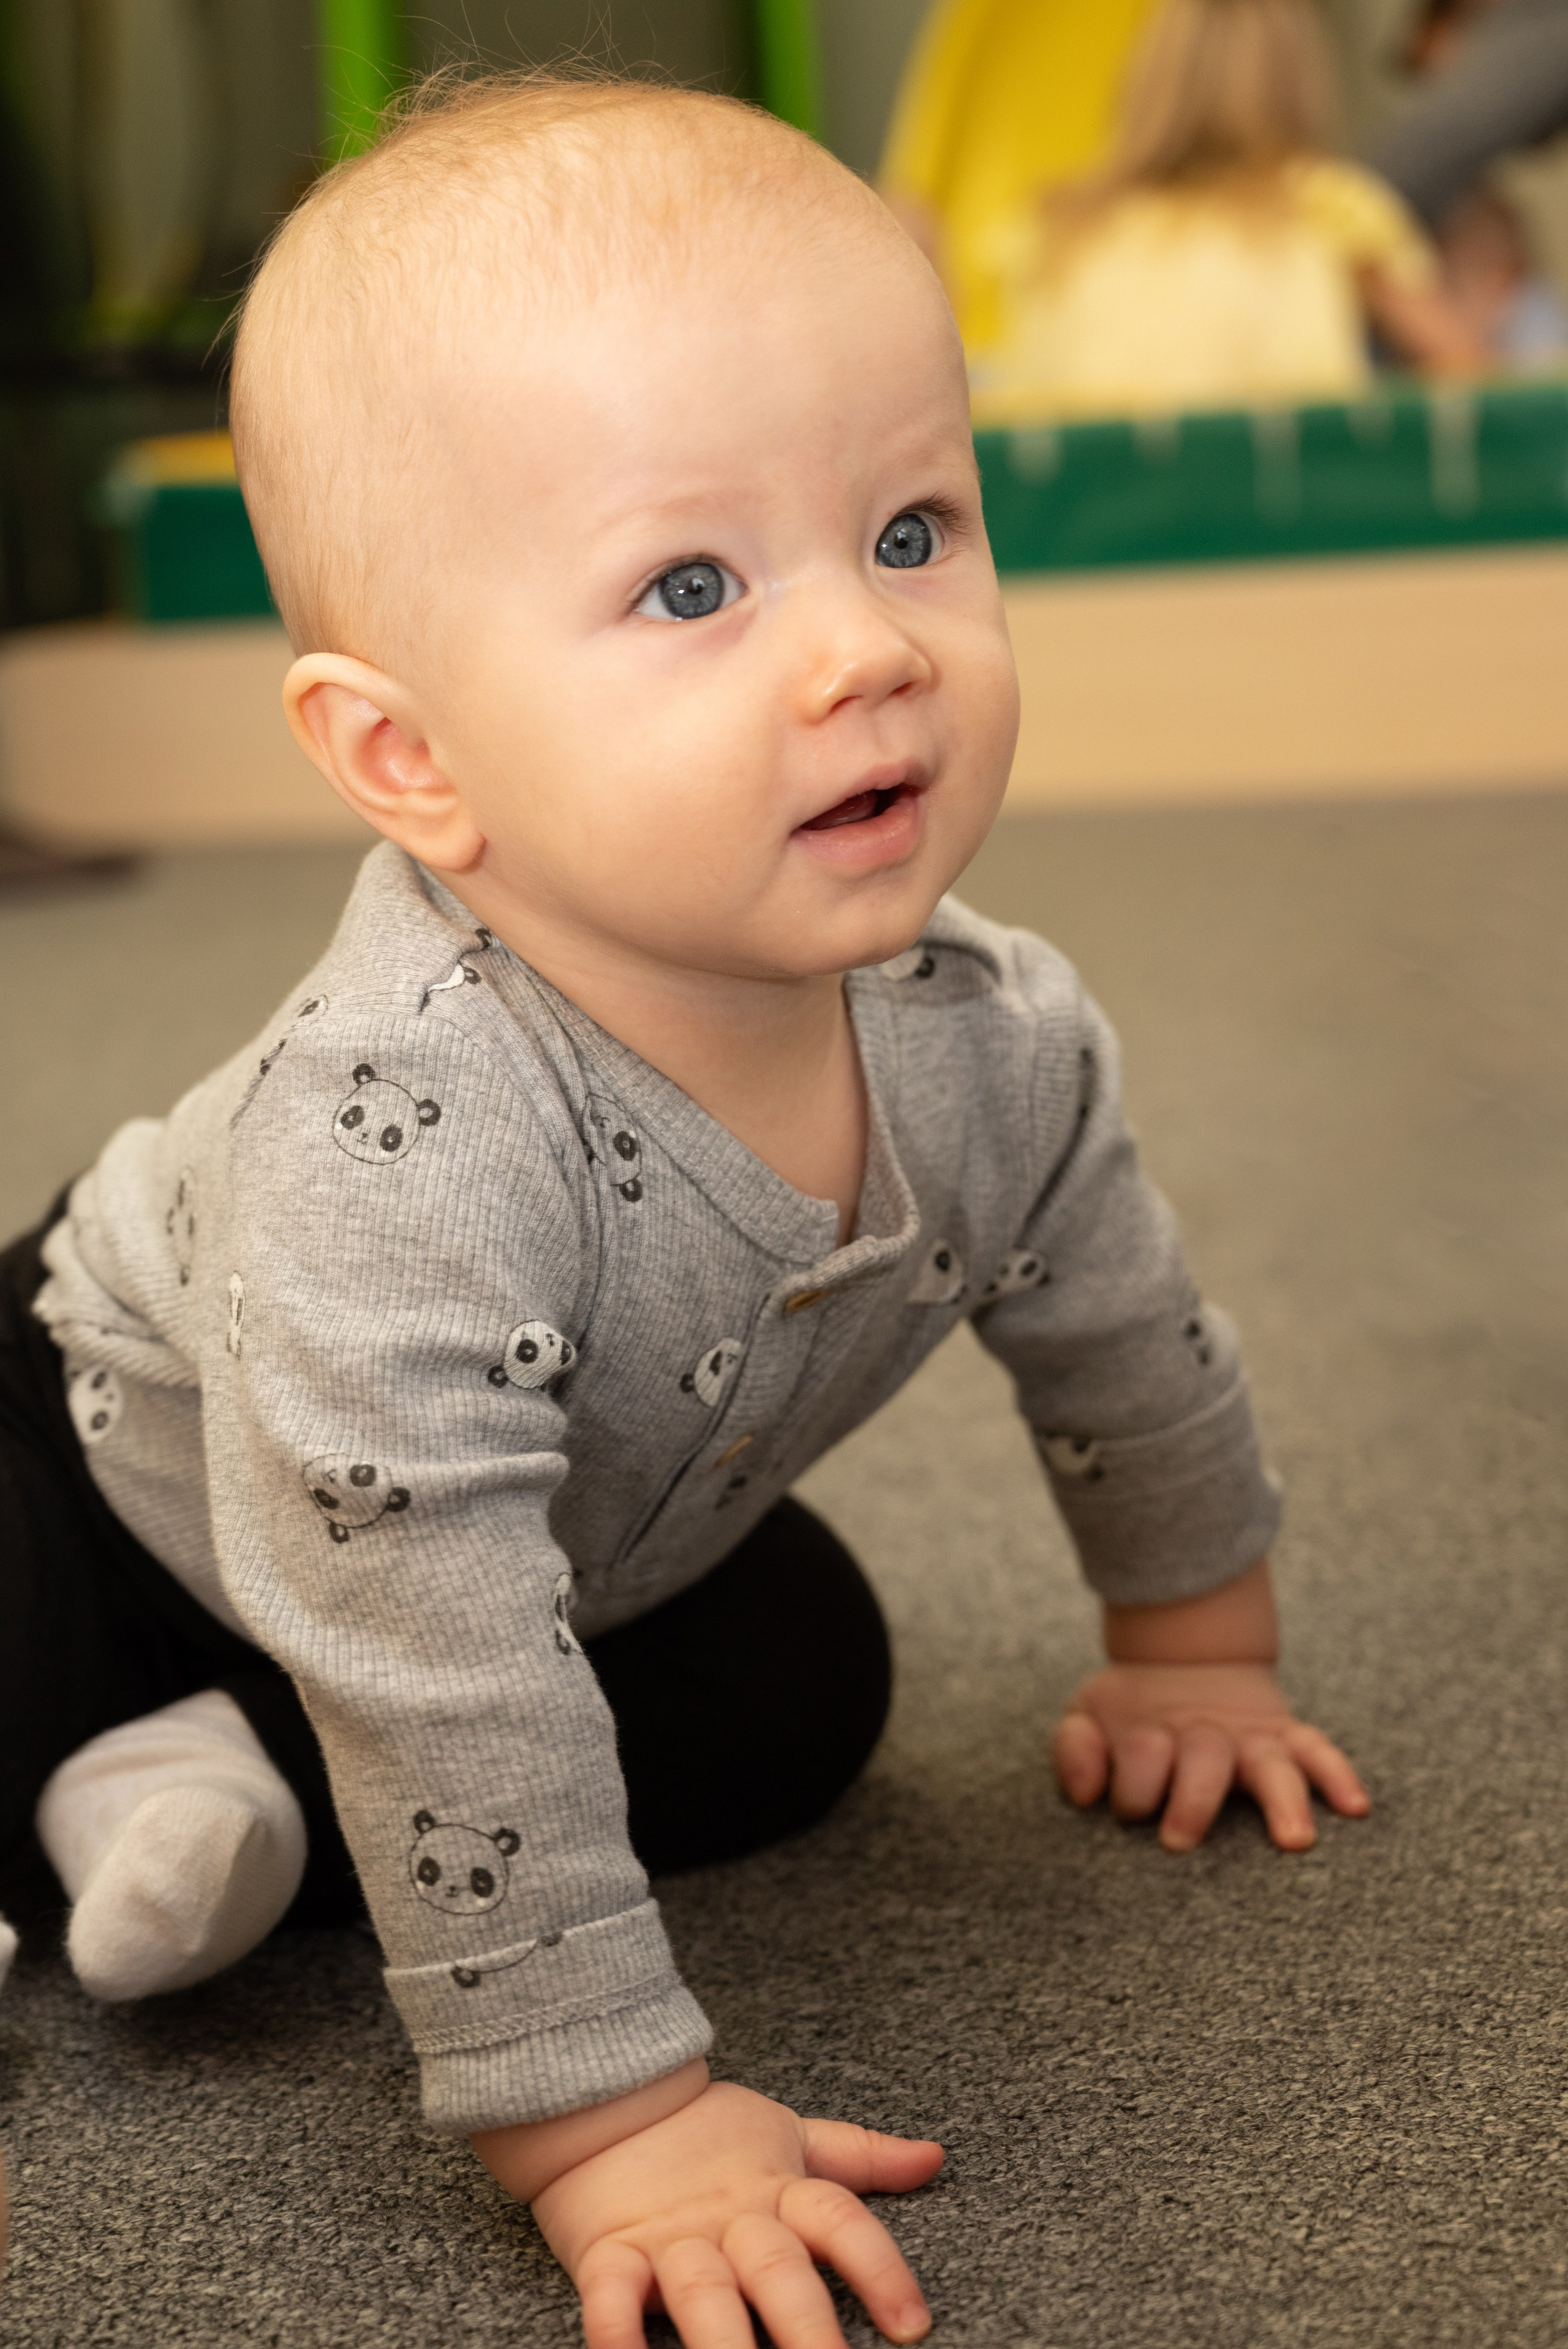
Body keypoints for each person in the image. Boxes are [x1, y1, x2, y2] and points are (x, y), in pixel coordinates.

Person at [0, 72, 1370, 2349]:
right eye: (694, 586)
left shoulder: (993, 1038)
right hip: (99, 1453)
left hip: (509, 1547)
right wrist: (609, 2119)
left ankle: (207, 1788)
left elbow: (1124, 1336)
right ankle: (98, 1762)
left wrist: (1190, 1646)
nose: (868, 649)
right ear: (411, 758)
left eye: (910, 530)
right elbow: (428, 1633)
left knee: (801, 1686)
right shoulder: (404, 1139)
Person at [970, 0, 1487, 425]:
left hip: (1084, 509)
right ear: (1298, 80)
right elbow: (1470, 378)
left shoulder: (1052, 224)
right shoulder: (1326, 206)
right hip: (1275, 501)